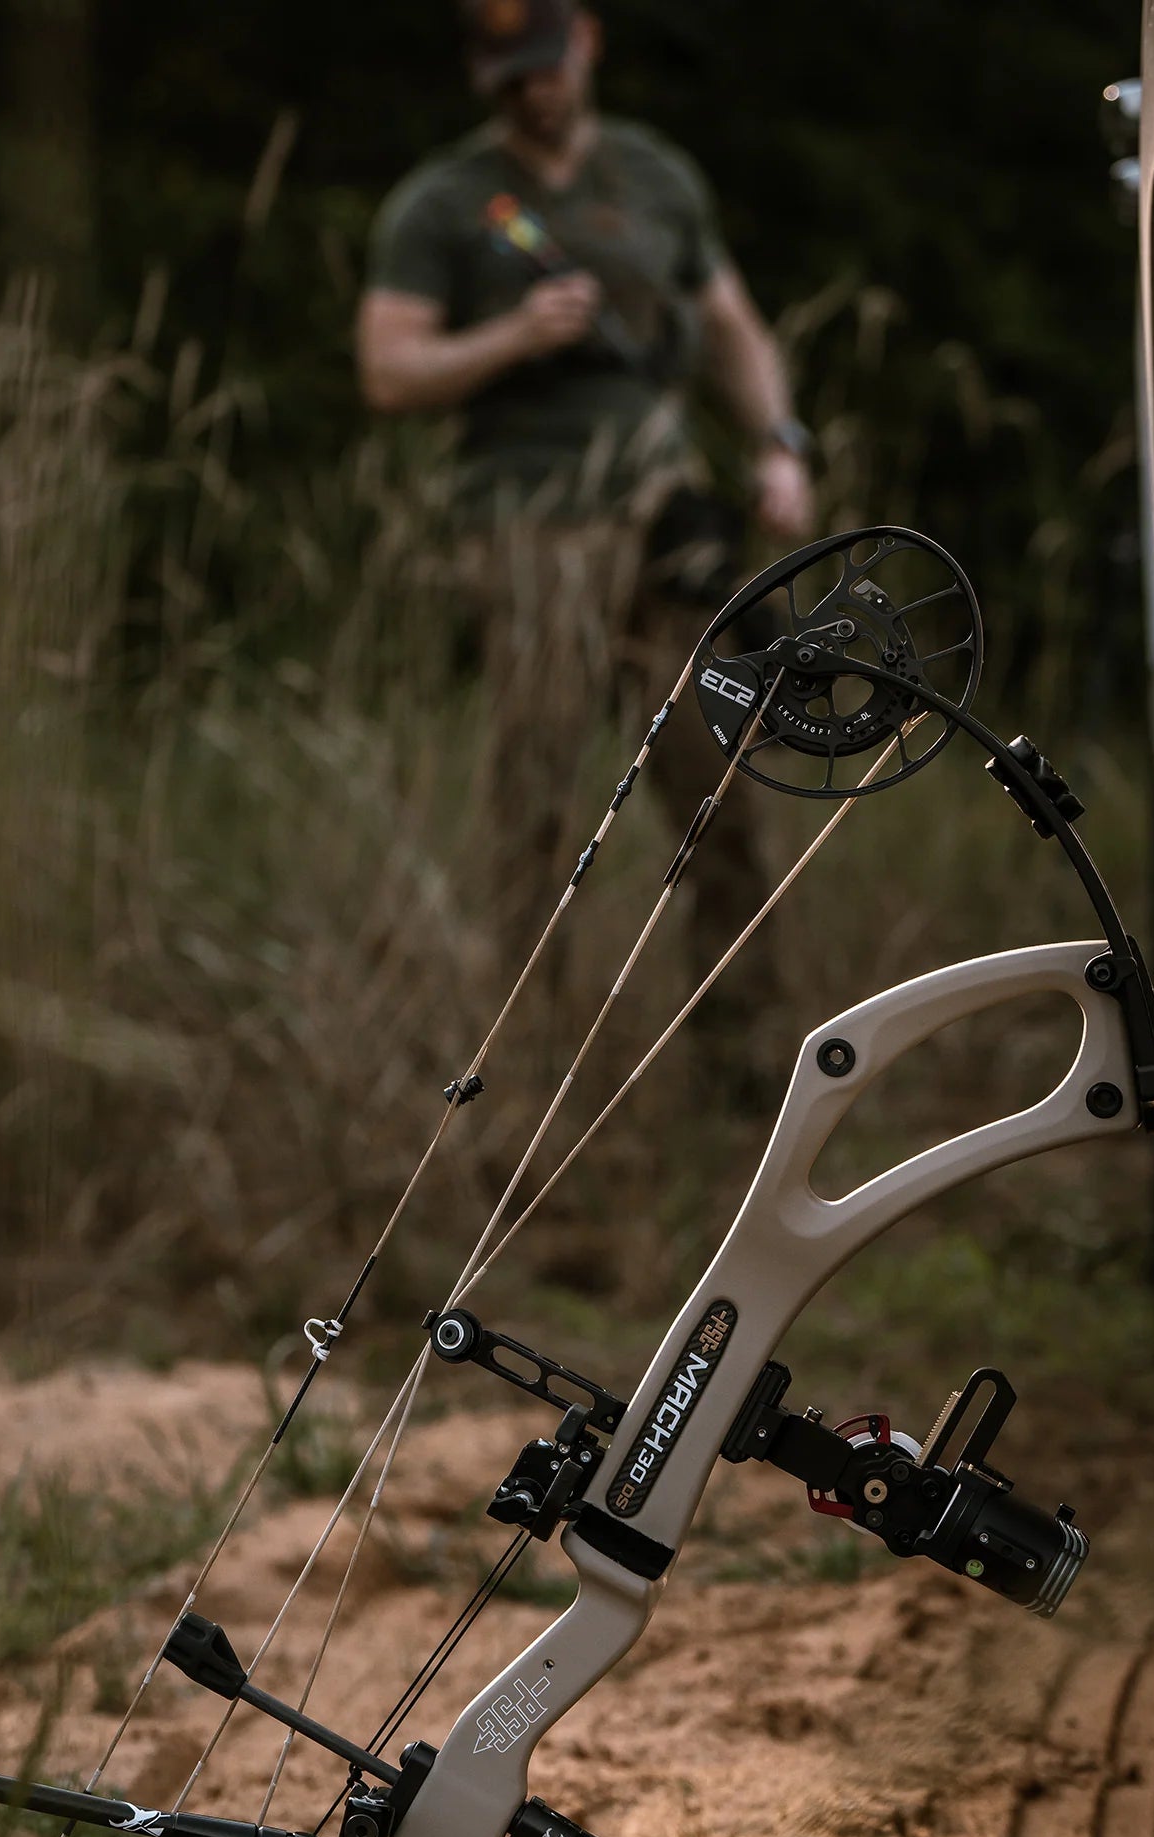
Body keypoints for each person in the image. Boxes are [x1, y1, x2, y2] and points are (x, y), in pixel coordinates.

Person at [357, 0, 814, 1065]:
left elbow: (732, 327)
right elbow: (388, 370)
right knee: (535, 806)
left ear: (586, 44)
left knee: (723, 789)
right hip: (530, 534)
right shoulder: (443, 203)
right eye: (508, 74)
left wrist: (777, 444)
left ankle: (745, 1061)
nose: (533, 89)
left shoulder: (656, 178)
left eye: (545, 64)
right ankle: (521, 1060)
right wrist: (512, 336)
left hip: (668, 527)